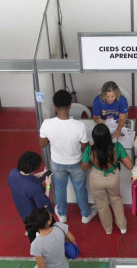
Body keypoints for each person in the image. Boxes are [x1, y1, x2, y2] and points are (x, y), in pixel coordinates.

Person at [39, 89, 97, 224]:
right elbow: (85, 148)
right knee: (80, 188)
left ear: (54, 106)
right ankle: (85, 215)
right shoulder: (79, 126)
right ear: (70, 105)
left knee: (59, 188)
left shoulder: (47, 123)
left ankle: (62, 215)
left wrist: (52, 139)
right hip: (76, 163)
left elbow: (42, 144)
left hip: (57, 163)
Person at [82, 123, 133, 234]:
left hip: (96, 178)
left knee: (101, 204)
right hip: (113, 178)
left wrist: (93, 162)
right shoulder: (117, 147)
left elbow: (84, 167)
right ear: (108, 136)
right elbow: (130, 166)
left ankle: (108, 229)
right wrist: (118, 159)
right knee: (116, 199)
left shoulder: (89, 150)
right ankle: (122, 227)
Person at [8, 151, 54, 243]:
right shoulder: (35, 187)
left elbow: (24, 178)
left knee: (32, 236)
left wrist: (39, 175)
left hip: (24, 214)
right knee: (46, 238)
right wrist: (48, 185)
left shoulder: (12, 174)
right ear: (33, 169)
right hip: (38, 218)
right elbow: (44, 205)